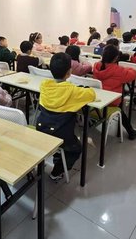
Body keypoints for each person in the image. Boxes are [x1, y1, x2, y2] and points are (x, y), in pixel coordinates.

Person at [36, 53, 96, 181]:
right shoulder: (73, 91)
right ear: (69, 72)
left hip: (42, 128)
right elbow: (92, 94)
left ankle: (57, 156)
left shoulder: (44, 85)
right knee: (76, 149)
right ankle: (56, 172)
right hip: (61, 133)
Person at [92, 45, 136, 140]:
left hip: (97, 98)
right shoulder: (119, 70)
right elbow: (134, 74)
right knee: (119, 108)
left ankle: (131, 131)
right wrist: (127, 68)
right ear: (116, 58)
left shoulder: (96, 65)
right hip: (112, 101)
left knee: (119, 108)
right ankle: (131, 131)